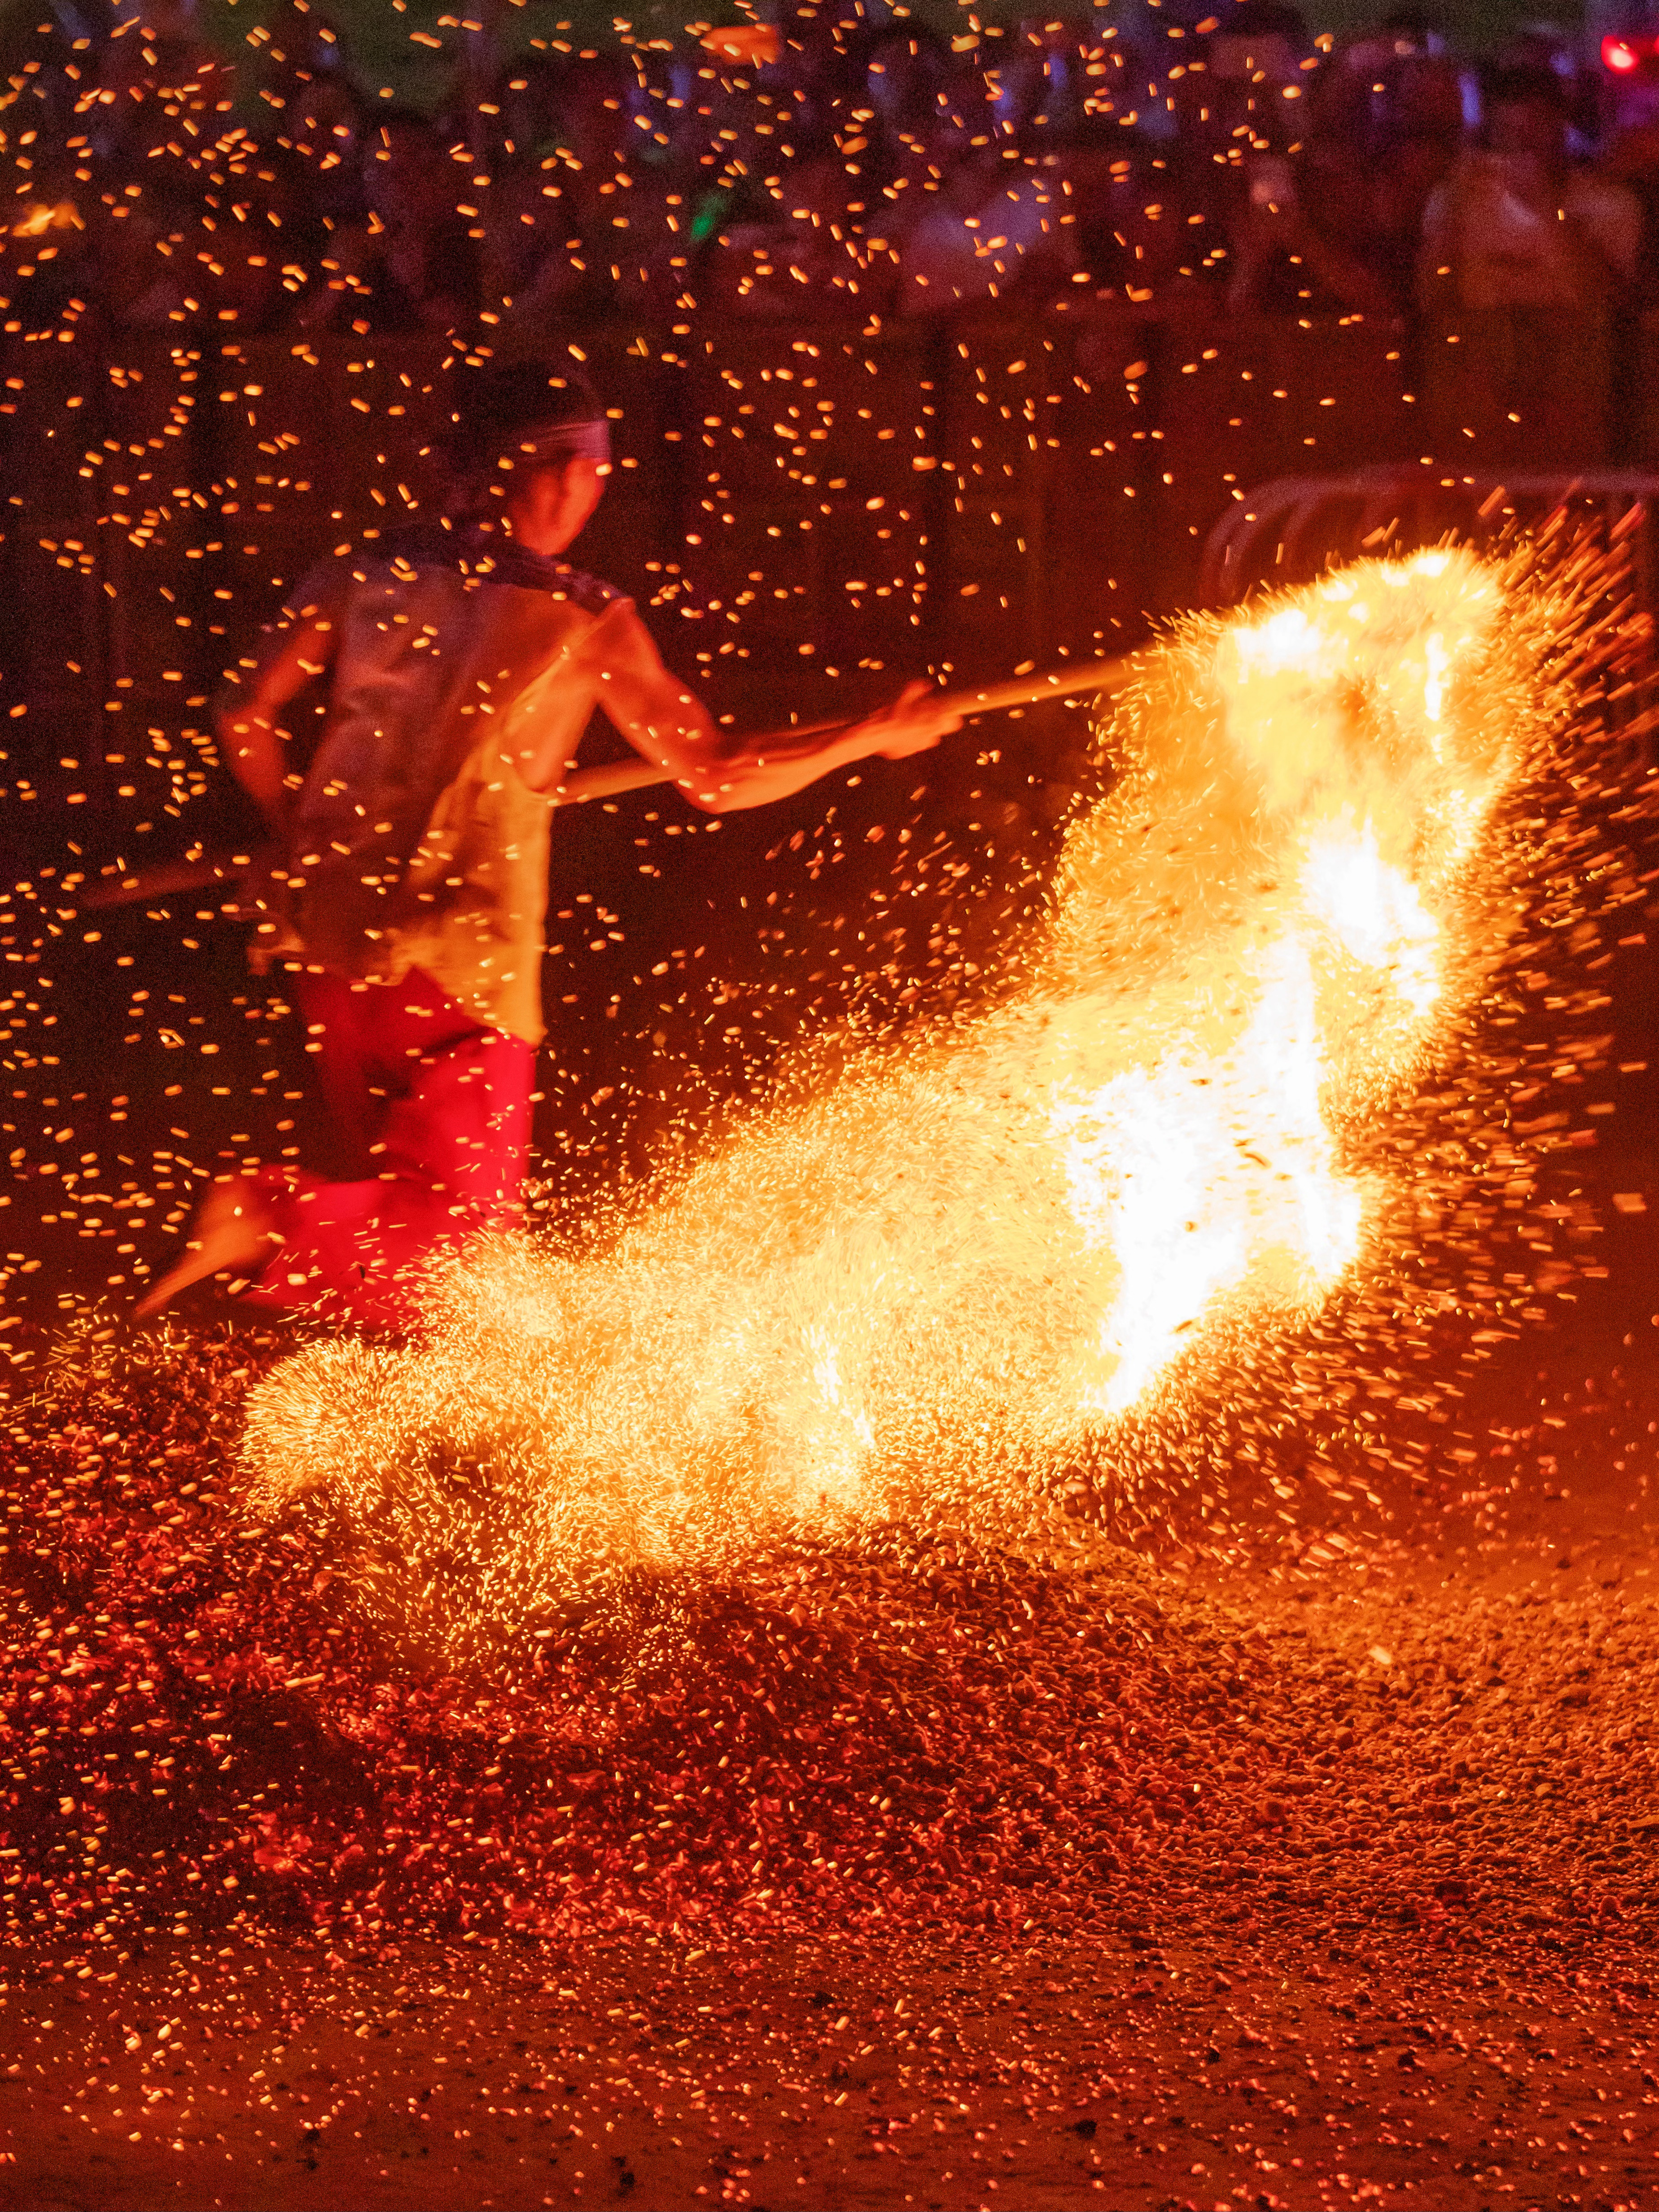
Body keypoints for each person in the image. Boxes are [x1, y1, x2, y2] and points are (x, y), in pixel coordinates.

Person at [137, 362, 960, 1326]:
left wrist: (293, 832)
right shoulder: (584, 619)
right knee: (459, 1255)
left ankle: (359, 1404)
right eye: (592, 466)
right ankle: (267, 1218)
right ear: (558, 472)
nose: (593, 490)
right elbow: (716, 773)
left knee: (407, 1246)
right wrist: (872, 732)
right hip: (458, 971)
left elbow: (243, 711)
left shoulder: (361, 573)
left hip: (329, 948)